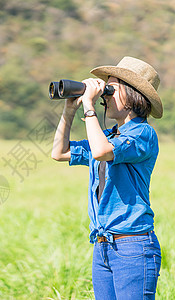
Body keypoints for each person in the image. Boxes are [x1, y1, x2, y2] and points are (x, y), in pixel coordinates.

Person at [51, 56, 163, 300]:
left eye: (112, 89)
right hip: (103, 245)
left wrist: (89, 107)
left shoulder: (143, 134)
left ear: (134, 96)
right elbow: (59, 152)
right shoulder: (108, 136)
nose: (105, 95)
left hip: (133, 247)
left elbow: (101, 152)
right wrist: (69, 110)